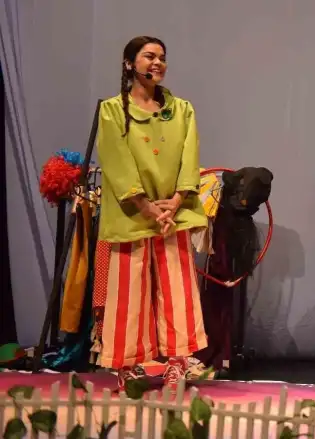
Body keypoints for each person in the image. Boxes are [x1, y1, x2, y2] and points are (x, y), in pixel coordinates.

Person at [95, 36, 208, 394]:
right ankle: (127, 366)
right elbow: (115, 160)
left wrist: (176, 200)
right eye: (149, 56)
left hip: (173, 213)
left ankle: (178, 363)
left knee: (178, 291)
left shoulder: (182, 109)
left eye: (162, 57)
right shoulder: (113, 110)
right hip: (132, 214)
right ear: (130, 64)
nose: (158, 62)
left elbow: (189, 155)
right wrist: (144, 205)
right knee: (128, 294)